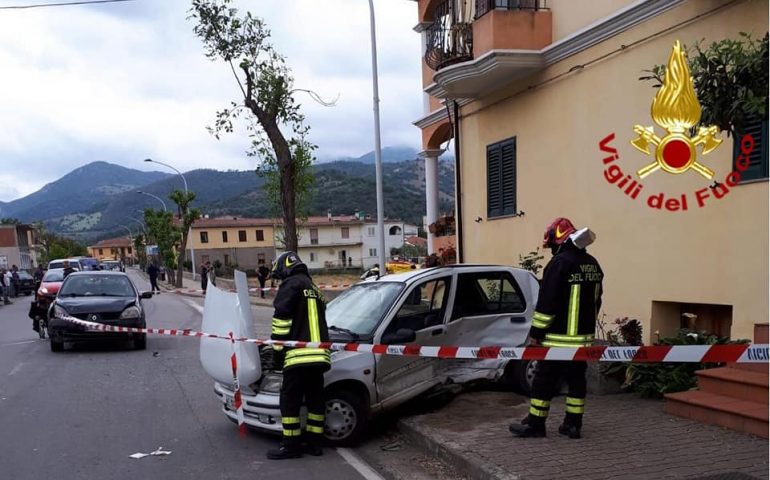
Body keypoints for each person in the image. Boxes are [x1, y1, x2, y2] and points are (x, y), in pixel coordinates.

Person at [509, 217, 604, 440]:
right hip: (582, 339)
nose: (551, 249)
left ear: (558, 240)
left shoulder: (559, 263)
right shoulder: (592, 263)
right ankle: (573, 425)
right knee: (576, 381)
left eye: (551, 245)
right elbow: (597, 300)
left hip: (557, 339)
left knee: (544, 381)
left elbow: (547, 304)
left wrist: (536, 334)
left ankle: (536, 424)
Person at [266, 251, 330, 460]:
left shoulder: (291, 284)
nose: (279, 279)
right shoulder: (315, 289)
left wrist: (277, 354)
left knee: (290, 401)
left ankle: (291, 445)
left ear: (285, 267)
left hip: (298, 357)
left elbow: (281, 321)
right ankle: (314, 443)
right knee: (315, 401)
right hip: (320, 357)